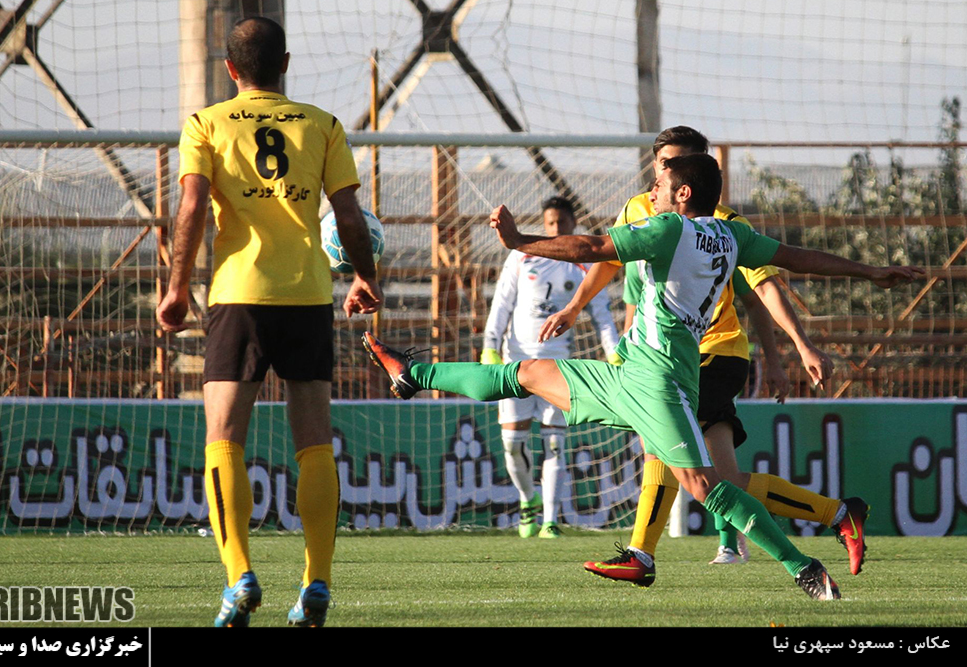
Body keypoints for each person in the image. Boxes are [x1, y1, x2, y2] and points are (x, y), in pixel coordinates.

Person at [363, 153, 922, 600]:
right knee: (527, 371)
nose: (650, 192)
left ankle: (804, 569)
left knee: (706, 487)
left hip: (660, 383)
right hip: (629, 372)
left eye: (659, 185)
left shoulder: (669, 231)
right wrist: (870, 271)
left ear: (683, 193)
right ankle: (415, 372)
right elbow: (798, 257)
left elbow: (591, 248)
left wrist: (520, 243)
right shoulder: (732, 237)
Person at [156, 16, 382, 628]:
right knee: (314, 441)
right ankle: (317, 582)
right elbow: (348, 214)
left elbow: (193, 205)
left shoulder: (206, 123)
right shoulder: (322, 124)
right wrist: (364, 276)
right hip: (307, 294)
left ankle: (239, 577)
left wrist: (176, 287)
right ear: (285, 63)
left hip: (239, 296)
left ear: (231, 69)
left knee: (224, 438)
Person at [572, 127, 867, 586]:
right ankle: (837, 514)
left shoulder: (724, 225)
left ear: (696, 175)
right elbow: (613, 265)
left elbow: (761, 289)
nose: (666, 173)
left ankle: (643, 555)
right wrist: (574, 308)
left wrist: (795, 346)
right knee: (724, 479)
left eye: (677, 165)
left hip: (714, 351)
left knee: (663, 448)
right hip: (660, 357)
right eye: (663, 164)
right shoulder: (638, 208)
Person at [481, 196, 620, 538]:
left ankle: (550, 520)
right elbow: (501, 304)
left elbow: (602, 314)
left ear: (574, 224)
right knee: (512, 444)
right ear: (544, 225)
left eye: (562, 222)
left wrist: (613, 352)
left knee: (555, 443)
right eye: (551, 223)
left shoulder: (584, 264)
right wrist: (489, 346)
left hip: (559, 366)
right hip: (517, 362)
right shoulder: (521, 255)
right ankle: (527, 499)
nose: (557, 228)